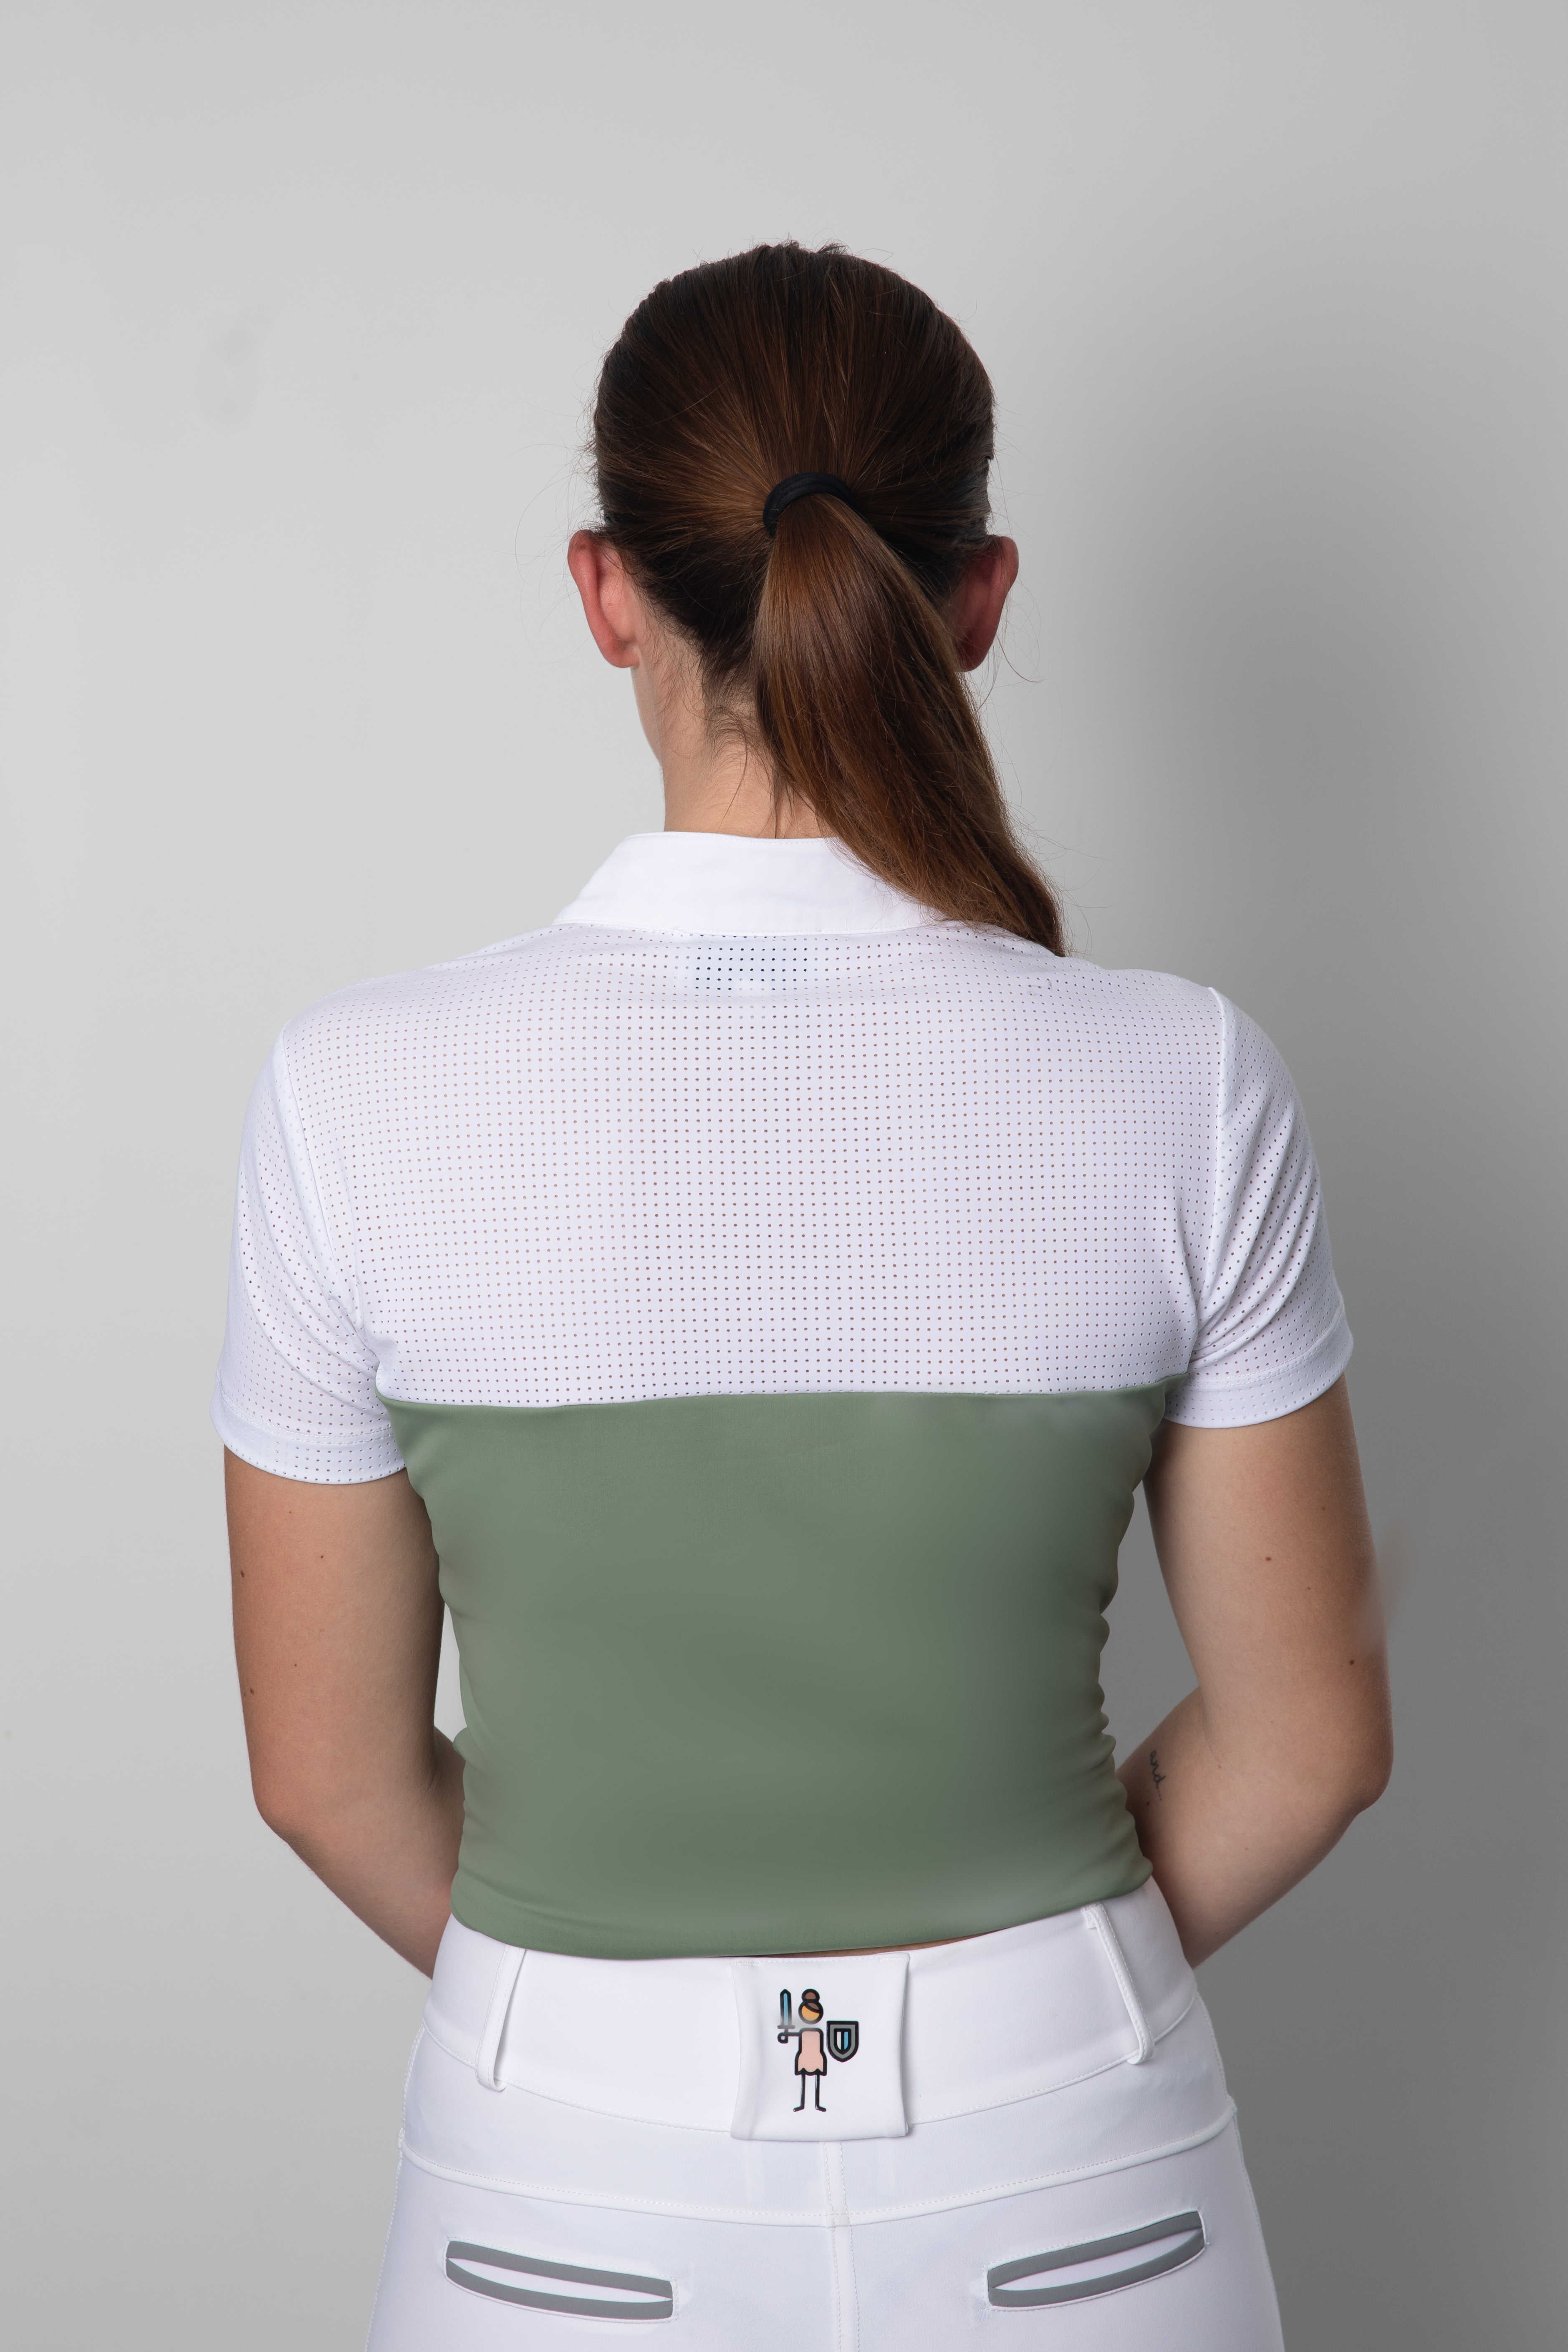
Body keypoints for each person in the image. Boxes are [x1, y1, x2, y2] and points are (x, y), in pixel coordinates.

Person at [215, 241, 1391, 2349]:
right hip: (1075, 2181)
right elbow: (1304, 1741)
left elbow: (326, 1772)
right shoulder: (1183, 1079)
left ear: (606, 592)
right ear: (977, 597)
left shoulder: (353, 1094)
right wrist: (1035, 1993)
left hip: (559, 2186)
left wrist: (607, 2005)